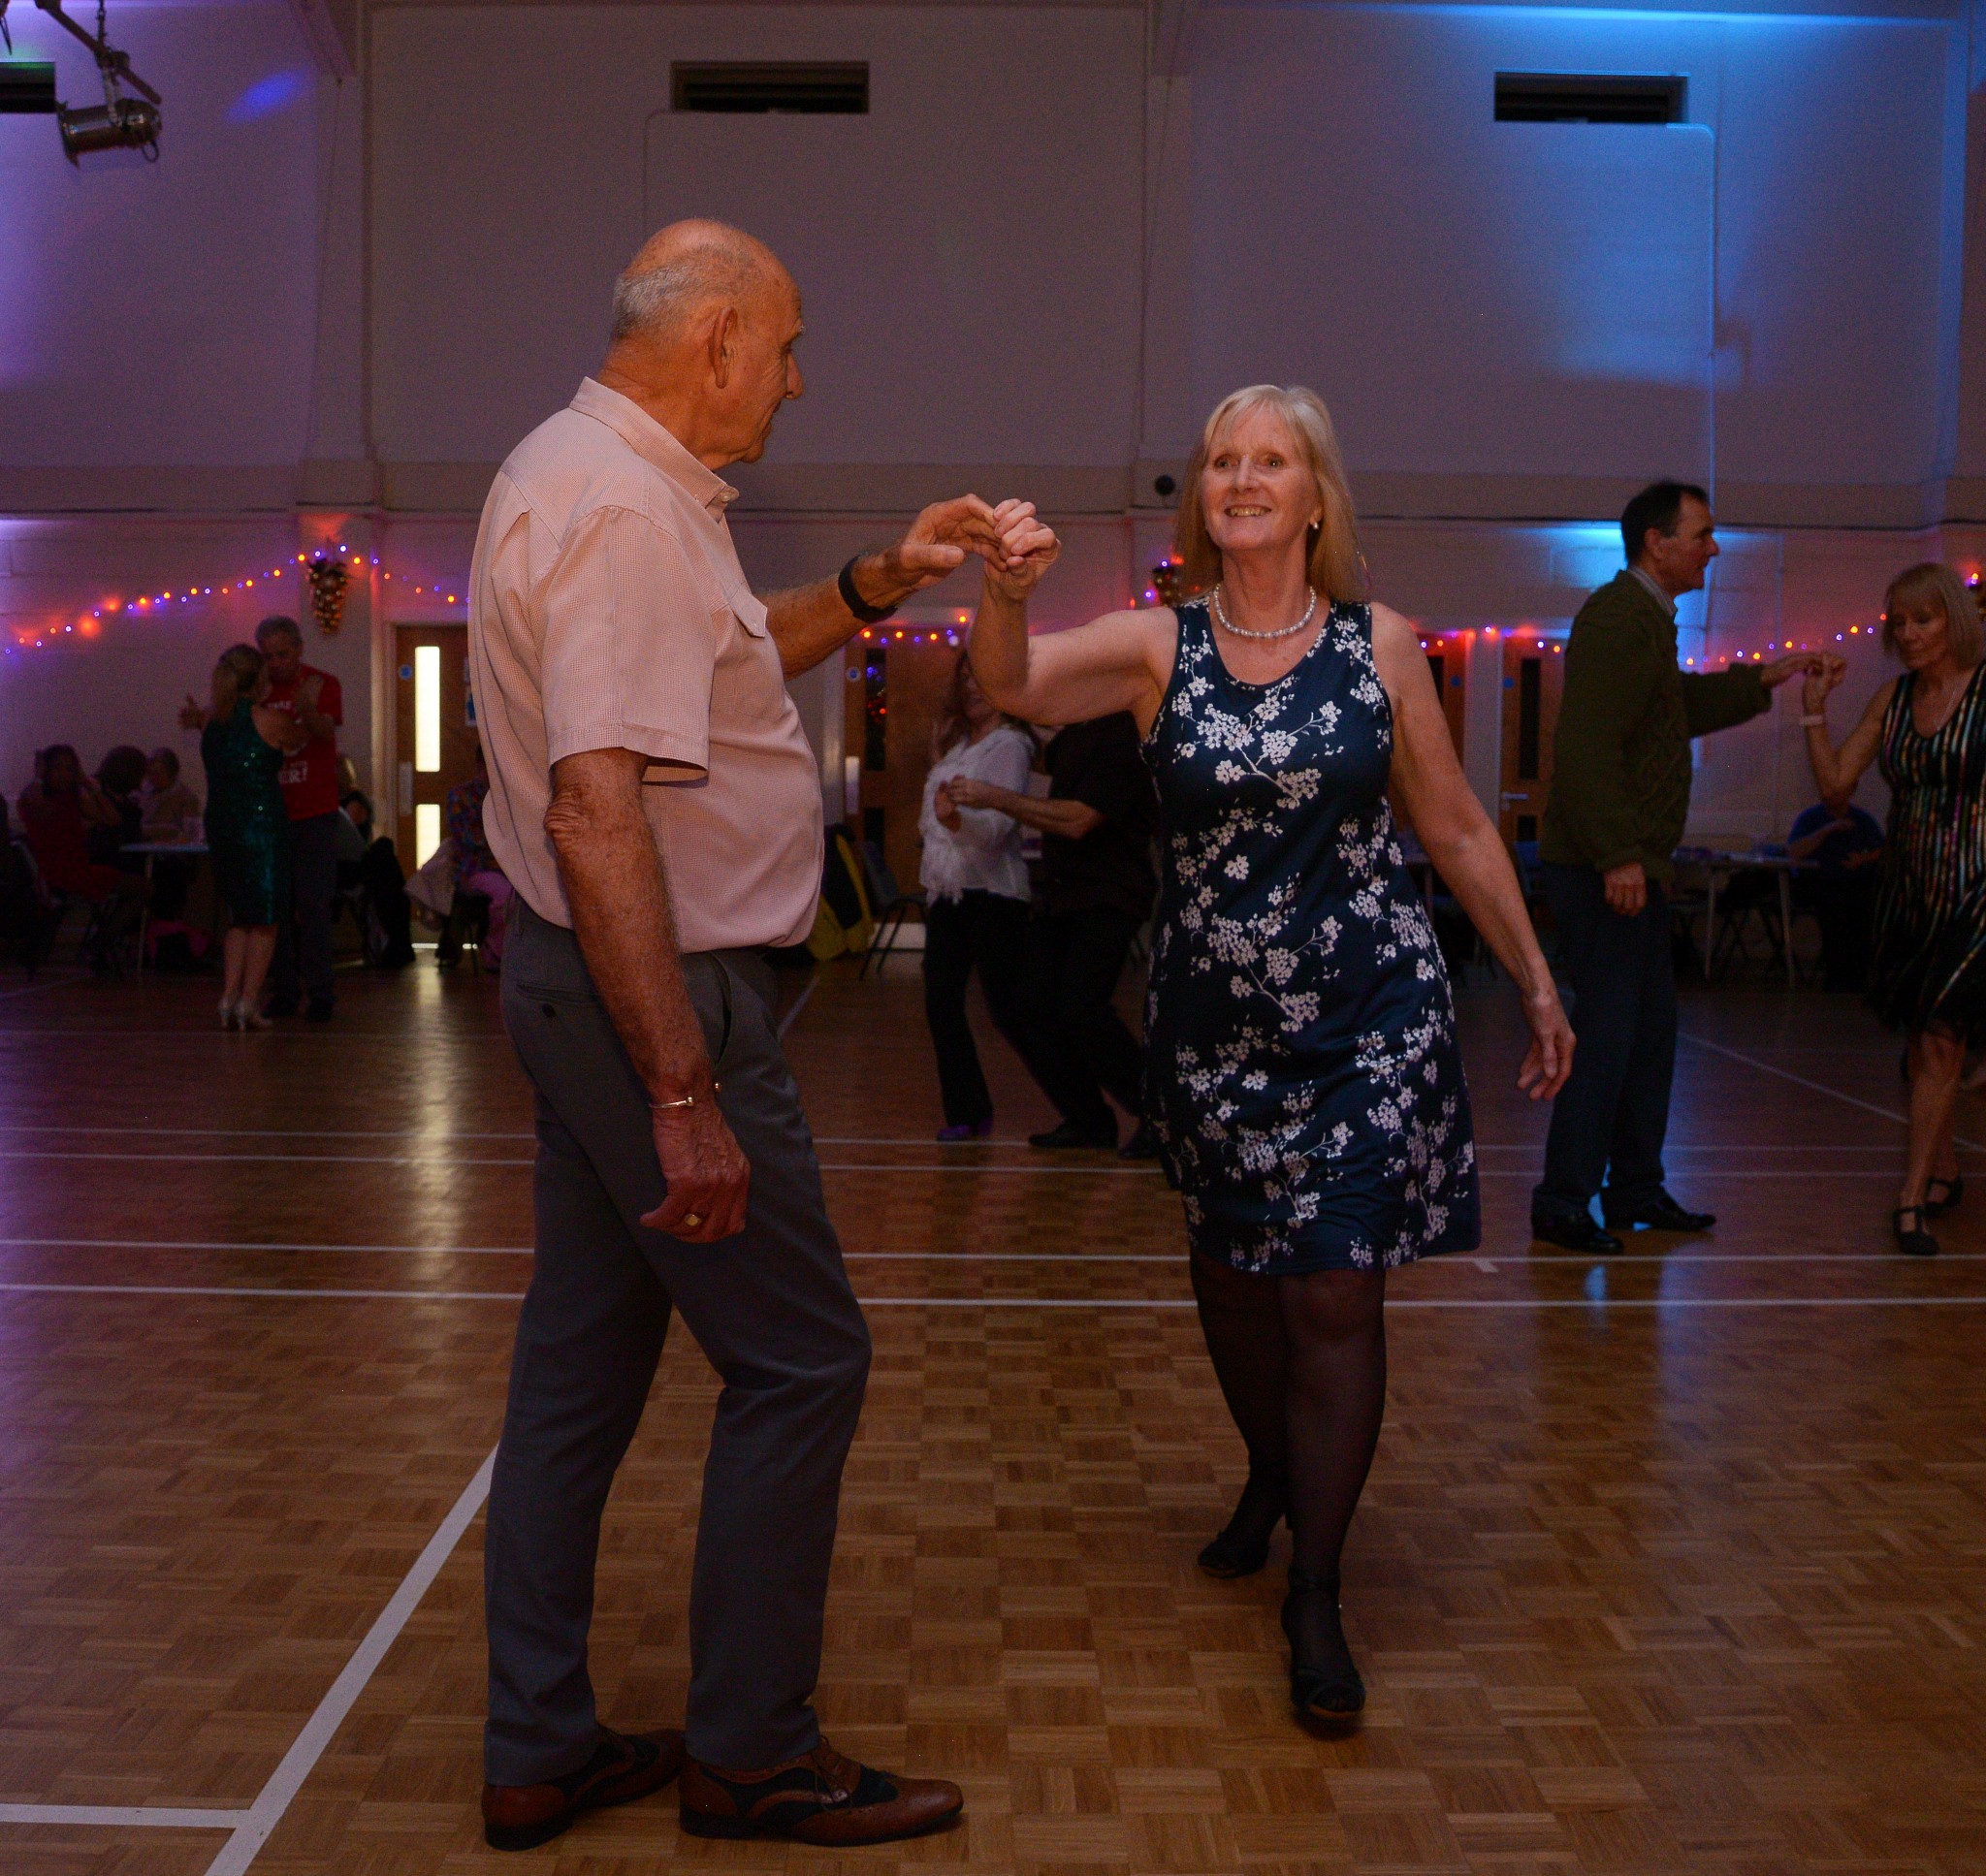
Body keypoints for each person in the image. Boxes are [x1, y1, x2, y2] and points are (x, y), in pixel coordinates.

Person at [468, 218, 996, 1851]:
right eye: (785, 343)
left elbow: (727, 659)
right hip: (652, 995)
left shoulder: (590, 473)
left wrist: (878, 583)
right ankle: (753, 1751)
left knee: (579, 1371)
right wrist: (682, 1088)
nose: (794, 378)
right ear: (714, 342)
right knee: (802, 1359)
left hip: (586, 985)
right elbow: (597, 807)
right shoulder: (623, 511)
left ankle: (538, 1742)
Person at [966, 383, 1573, 1726]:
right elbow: (1006, 683)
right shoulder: (1156, 646)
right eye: (1221, 460)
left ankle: (1318, 1584)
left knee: (1334, 1292)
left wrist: (1536, 979)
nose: (1242, 478)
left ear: (1313, 498)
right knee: (1237, 1283)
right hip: (1214, 1026)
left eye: (1271, 460)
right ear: (1203, 494)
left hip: (1368, 1017)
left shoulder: (1380, 644)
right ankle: (1270, 1470)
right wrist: (1003, 589)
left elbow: (1455, 825)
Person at [1531, 481, 1817, 1252]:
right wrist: (1619, 854)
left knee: (1649, 1033)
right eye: (1703, 534)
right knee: (1608, 1035)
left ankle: (1633, 1188)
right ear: (1658, 543)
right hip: (1604, 868)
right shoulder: (1619, 617)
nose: (1713, 548)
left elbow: (1670, 710)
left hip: (1632, 867)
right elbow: (1587, 745)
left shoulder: (1649, 619)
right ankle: (1562, 1201)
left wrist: (1759, 679)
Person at [1800, 562, 1986, 1256]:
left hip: (1977, 889)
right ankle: (1945, 1171)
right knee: (1922, 1043)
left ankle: (1910, 1200)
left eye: (1922, 620)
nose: (1907, 634)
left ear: (1954, 622)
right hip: (1909, 890)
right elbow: (1836, 789)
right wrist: (1814, 709)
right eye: (1899, 622)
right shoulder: (1894, 697)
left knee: (1939, 1037)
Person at [945, 711, 1161, 1155]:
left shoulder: (1122, 735)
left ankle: (1161, 1116)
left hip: (1108, 893)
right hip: (1065, 894)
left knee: (1082, 1007)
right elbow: (1050, 764)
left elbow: (1079, 819)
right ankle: (1088, 1120)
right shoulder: (1076, 733)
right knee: (1027, 1006)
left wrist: (995, 797)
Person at [916, 654, 1036, 1140]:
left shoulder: (1010, 745)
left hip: (992, 896)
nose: (969, 688)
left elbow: (994, 831)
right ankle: (966, 1112)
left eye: (979, 679)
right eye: (964, 679)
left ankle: (1082, 1104)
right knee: (941, 1005)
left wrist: (954, 819)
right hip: (949, 894)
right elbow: (935, 818)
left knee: (1010, 1012)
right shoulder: (961, 747)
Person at [200, 645, 308, 1028]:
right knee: (265, 918)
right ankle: (248, 1002)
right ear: (258, 678)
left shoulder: (212, 721)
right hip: (260, 824)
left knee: (239, 917)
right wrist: (304, 707)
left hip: (221, 824)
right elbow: (300, 739)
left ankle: (228, 998)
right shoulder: (268, 719)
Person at [15, 744, 147, 970]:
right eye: (57, 768)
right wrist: (37, 777)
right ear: (46, 770)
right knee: (142, 888)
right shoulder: (33, 795)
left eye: (69, 769)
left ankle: (98, 945)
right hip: (60, 873)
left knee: (142, 886)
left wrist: (88, 784)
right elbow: (38, 805)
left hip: (78, 868)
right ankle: (98, 946)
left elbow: (113, 819)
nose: (64, 774)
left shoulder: (74, 797)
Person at [1787, 799, 1883, 992]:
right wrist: (1827, 830)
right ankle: (1837, 976)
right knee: (1834, 907)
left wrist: (1862, 859)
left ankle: (1859, 975)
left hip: (1856, 884)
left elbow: (1883, 849)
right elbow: (1794, 851)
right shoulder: (1810, 818)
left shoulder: (1862, 819)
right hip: (1822, 884)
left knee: (1863, 908)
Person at [445, 744, 515, 970]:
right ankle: (494, 949)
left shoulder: (509, 796)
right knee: (506, 896)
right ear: (480, 766)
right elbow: (468, 838)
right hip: (477, 869)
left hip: (508, 868)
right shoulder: (461, 796)